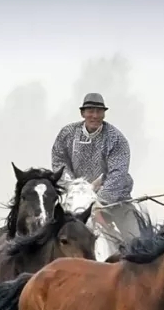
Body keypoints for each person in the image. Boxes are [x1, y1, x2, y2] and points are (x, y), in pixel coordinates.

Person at [51, 92, 143, 245]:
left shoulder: (116, 139)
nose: (94, 115)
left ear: (104, 114)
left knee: (136, 241)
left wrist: (99, 201)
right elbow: (59, 160)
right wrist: (74, 186)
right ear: (82, 113)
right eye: (90, 111)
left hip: (114, 202)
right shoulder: (67, 133)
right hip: (76, 199)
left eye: (99, 111)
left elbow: (118, 173)